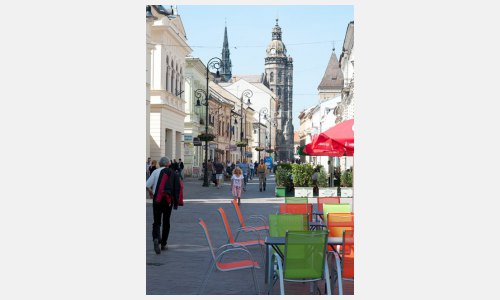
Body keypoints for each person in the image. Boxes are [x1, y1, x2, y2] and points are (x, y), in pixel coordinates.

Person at [146, 156, 184, 254]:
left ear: (160, 164)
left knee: (156, 221)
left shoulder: (155, 172)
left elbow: (147, 185)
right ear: (168, 164)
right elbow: (179, 186)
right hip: (168, 200)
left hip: (157, 198)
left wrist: (150, 191)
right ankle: (163, 243)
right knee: (166, 221)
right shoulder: (172, 172)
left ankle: (156, 238)